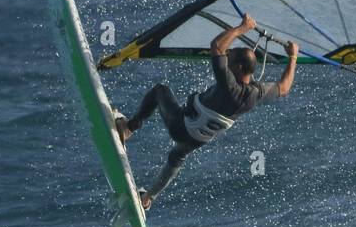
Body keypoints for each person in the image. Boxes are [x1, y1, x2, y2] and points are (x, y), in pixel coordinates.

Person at [114, 14, 298, 210]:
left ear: (237, 67)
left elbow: (217, 46)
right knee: (176, 158)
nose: (226, 57)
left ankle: (128, 127)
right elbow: (284, 87)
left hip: (181, 126)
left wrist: (242, 28)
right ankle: (148, 197)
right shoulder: (256, 94)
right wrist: (293, 56)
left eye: (230, 58)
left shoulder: (229, 86)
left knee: (160, 91)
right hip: (197, 140)